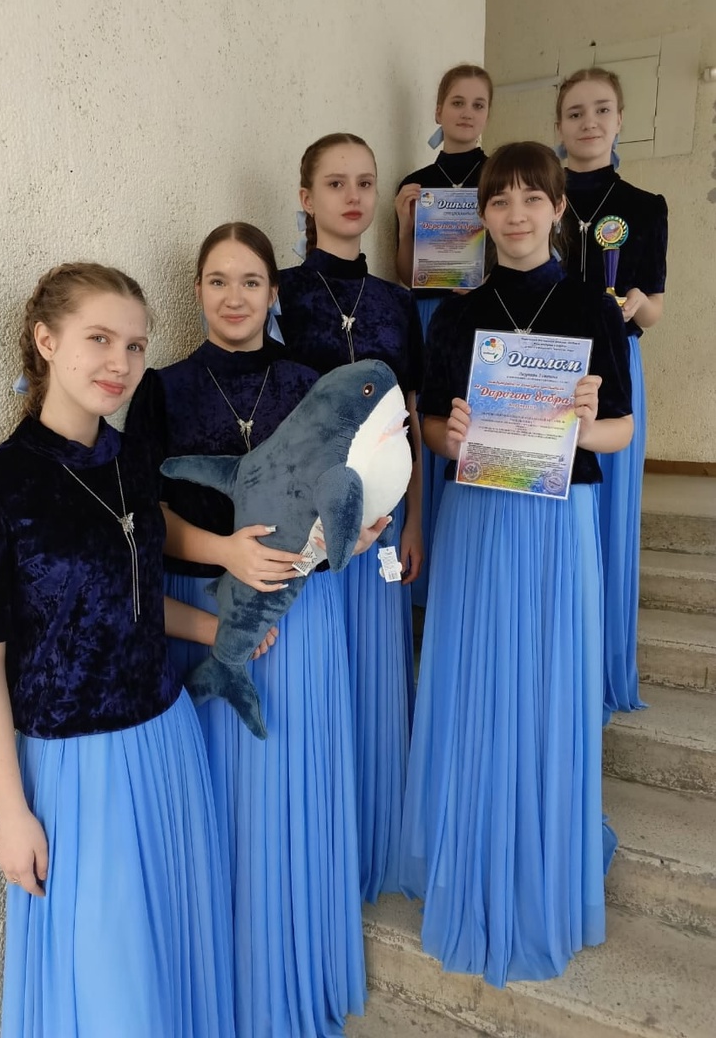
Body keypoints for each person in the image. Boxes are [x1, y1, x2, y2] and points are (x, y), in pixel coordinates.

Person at [0, 263, 235, 1035]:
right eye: (99, 339)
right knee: (111, 985)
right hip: (76, 770)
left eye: (135, 345)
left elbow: (129, 603)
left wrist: (218, 629)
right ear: (46, 342)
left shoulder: (134, 460)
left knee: (171, 961)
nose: (121, 363)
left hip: (168, 740)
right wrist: (11, 813)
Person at [124, 223, 367, 1038]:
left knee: (289, 781)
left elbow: (359, 485)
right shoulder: (160, 390)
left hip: (303, 613)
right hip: (203, 607)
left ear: (273, 292)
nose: (235, 298)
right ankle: (225, 976)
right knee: (221, 796)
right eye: (219, 281)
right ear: (197, 290)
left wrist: (358, 528)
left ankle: (289, 963)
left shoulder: (311, 380)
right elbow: (144, 512)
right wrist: (225, 550)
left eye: (251, 281)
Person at [400, 142, 633, 988]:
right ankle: (473, 836)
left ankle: (541, 850)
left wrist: (586, 424)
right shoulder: (458, 315)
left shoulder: (593, 307)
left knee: (545, 681)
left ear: (559, 210)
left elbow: (621, 430)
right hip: (478, 517)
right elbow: (430, 427)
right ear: (484, 215)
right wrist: (449, 435)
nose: (517, 213)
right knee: (477, 677)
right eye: (501, 200)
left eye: (534, 198)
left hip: (558, 521)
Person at [276, 133, 423, 903]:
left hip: (386, 522)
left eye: (365, 182)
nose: (354, 196)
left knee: (374, 681)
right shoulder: (279, 293)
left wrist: (416, 520)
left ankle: (372, 837)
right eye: (336, 183)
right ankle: (325, 849)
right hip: (309, 526)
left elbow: (412, 414)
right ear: (306, 197)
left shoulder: (398, 301)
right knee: (322, 684)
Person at [555, 67, 668, 717]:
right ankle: (555, 659)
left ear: (620, 119)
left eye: (601, 110)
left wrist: (633, 303)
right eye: (575, 112)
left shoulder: (645, 206)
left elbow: (655, 310)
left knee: (605, 519)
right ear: (559, 125)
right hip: (545, 371)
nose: (589, 122)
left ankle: (598, 670)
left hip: (615, 365)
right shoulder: (537, 196)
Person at [394, 64, 493, 606]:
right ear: (438, 110)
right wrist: (406, 224)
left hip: (479, 320)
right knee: (426, 426)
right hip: (428, 314)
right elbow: (405, 272)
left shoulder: (499, 179)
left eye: (478, 104)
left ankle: (461, 577)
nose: (466, 113)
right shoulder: (416, 183)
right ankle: (421, 581)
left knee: (464, 431)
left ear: (488, 115)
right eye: (457, 102)